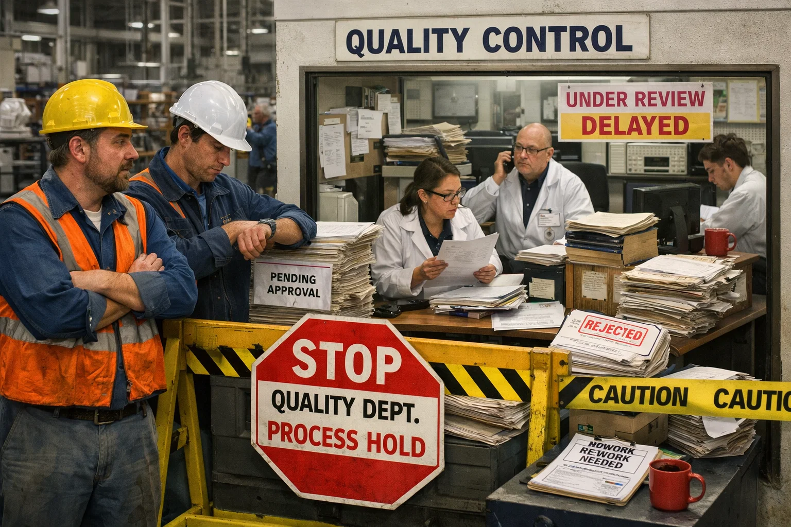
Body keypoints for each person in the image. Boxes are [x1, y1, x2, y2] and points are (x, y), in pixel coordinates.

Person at [0, 79, 197, 526]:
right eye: (120, 141)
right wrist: (140, 286)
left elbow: (184, 292)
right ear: (79, 149)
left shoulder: (138, 213)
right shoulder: (21, 220)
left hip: (133, 430)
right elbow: (58, 315)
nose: (134, 153)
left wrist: (105, 280)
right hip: (46, 437)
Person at [127, 80, 317, 324]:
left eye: (229, 150)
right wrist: (233, 230)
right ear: (185, 136)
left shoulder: (229, 190)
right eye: (218, 148)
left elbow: (303, 221)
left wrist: (268, 228)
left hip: (234, 342)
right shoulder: (139, 197)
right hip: (176, 345)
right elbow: (172, 265)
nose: (226, 161)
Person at [462, 123, 594, 271]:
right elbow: (467, 216)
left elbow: (583, 231)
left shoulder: (569, 184)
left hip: (549, 267)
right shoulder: (504, 179)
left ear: (549, 154)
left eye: (531, 149)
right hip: (507, 267)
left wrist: (560, 247)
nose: (522, 155)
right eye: (519, 147)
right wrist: (496, 179)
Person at [372, 157, 502, 299]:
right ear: (423, 195)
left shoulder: (464, 215)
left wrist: (490, 269)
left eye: (458, 192)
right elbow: (382, 281)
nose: (456, 201)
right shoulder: (391, 221)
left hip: (461, 302)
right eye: (448, 195)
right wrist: (418, 275)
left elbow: (491, 255)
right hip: (416, 307)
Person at [698, 133, 766, 294]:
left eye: (711, 171)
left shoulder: (746, 193)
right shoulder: (757, 179)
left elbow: (712, 234)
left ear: (728, 164)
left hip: (757, 274)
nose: (710, 179)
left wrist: (687, 228)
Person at [246, 103, 277, 196]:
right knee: (251, 191)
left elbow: (260, 139)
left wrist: (248, 130)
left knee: (261, 192)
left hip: (264, 167)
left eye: (256, 113)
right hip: (254, 165)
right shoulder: (258, 127)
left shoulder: (271, 127)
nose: (253, 115)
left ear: (264, 115)